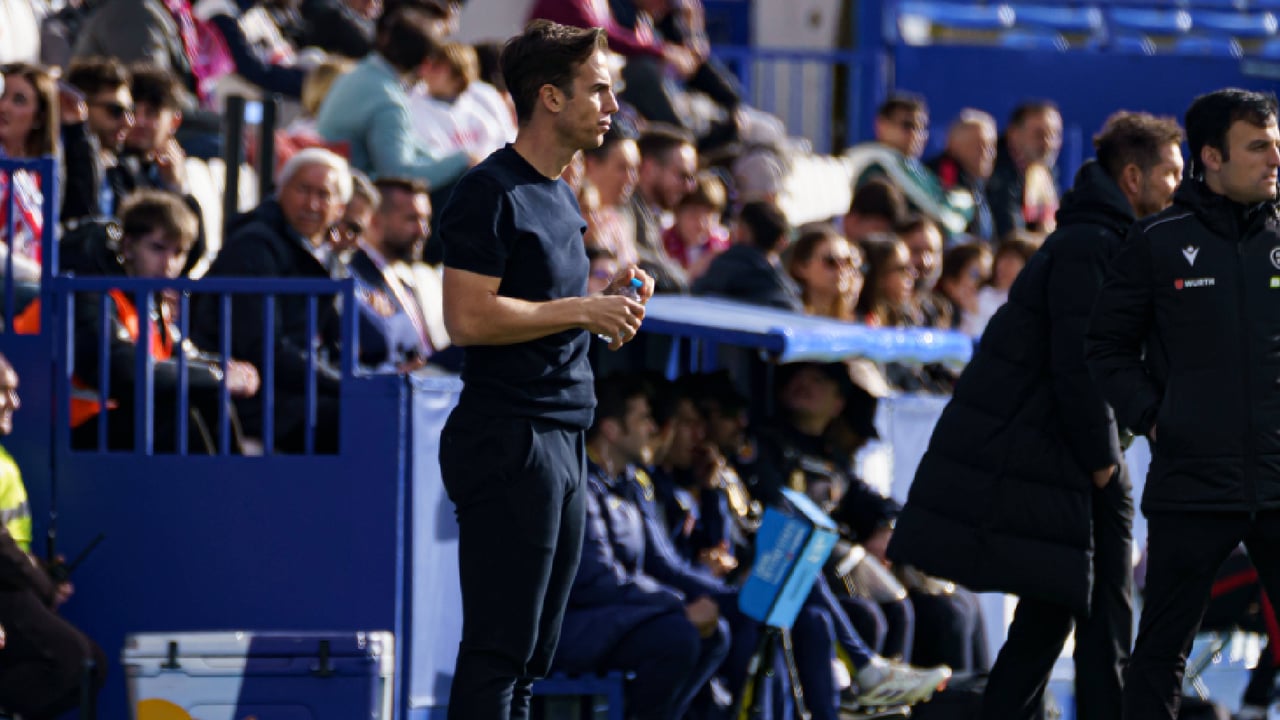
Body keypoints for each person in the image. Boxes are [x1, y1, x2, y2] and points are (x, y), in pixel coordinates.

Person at [887, 110, 1185, 720]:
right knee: (1093, 616)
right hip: (1071, 456)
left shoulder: (1105, 241)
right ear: (1133, 177)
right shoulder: (1093, 245)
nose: (1179, 189)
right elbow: (1082, 364)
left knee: (1058, 610)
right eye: (1171, 175)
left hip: (1071, 452)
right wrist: (1104, 463)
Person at [435, 20, 654, 720]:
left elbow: (545, 312)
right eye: (598, 90)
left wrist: (603, 305)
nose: (612, 106)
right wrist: (584, 310)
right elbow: (467, 319)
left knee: (531, 661)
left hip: (561, 436)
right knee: (499, 654)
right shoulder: (489, 190)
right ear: (551, 97)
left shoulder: (559, 194)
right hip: (510, 436)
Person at [1086, 88, 1280, 720]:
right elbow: (1106, 347)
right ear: (1212, 157)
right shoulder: (1156, 240)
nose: (1275, 158)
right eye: (1258, 146)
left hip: (1278, 477)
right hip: (1193, 482)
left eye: (1276, 145)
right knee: (1162, 651)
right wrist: (1155, 417)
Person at [0, 353, 108, 717]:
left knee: (91, 666)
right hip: (8, 589)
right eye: (3, 391)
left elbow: (11, 545)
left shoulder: (3, 458)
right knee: (72, 662)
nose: (15, 402)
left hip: (14, 584)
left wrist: (42, 572)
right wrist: (42, 585)